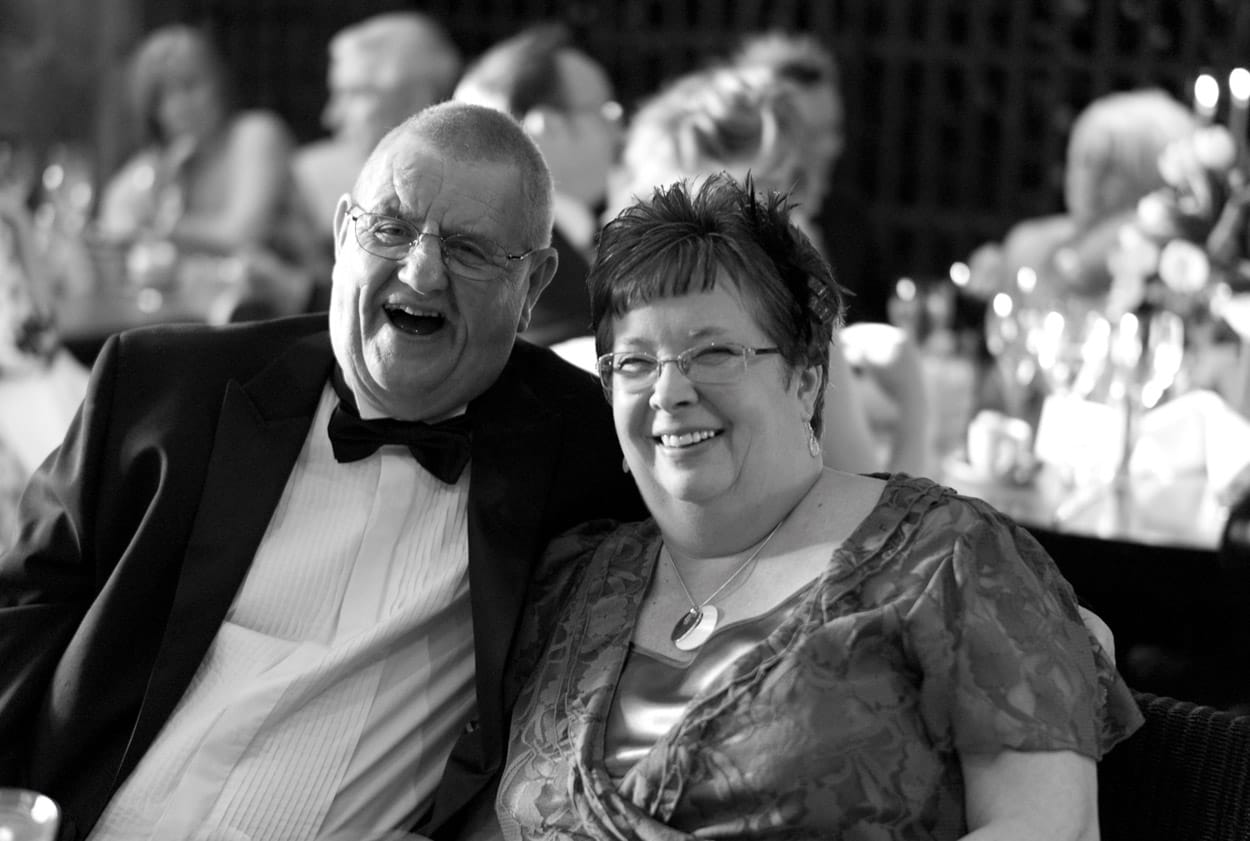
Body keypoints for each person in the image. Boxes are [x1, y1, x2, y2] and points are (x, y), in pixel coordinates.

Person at [0, 102, 645, 840]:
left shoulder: (587, 444)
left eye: (468, 249)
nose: (422, 269)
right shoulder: (164, 391)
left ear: (532, 285)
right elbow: (22, 611)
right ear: (343, 233)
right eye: (391, 228)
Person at [497, 175, 1142, 840]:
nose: (669, 390)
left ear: (806, 377)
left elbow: (1049, 828)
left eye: (713, 352)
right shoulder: (575, 580)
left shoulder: (951, 559)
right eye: (634, 362)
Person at [606, 63, 929, 474]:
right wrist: (914, 411)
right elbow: (881, 518)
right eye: (767, 191)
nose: (789, 213)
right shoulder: (791, 300)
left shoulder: (611, 298)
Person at [97, 24, 324, 321]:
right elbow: (114, 227)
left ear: (219, 83)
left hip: (304, 316)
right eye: (161, 97)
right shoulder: (164, 162)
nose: (179, 106)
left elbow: (242, 234)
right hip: (208, 325)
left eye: (190, 86)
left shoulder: (255, 134)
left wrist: (166, 228)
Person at [454, 21, 622, 346]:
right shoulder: (509, 263)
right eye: (606, 113)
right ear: (547, 125)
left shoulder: (593, 231)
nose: (620, 133)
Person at [967, 88, 1199, 303]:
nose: (1087, 185)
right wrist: (1004, 263)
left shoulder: (1149, 239)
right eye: (1083, 163)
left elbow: (1071, 271)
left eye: (1108, 169)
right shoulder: (1033, 240)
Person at [730, 30, 891, 325]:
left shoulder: (847, 217)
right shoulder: (720, 226)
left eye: (834, 129)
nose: (832, 147)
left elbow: (877, 323)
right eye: (812, 134)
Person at [294, 12, 462, 234]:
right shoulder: (308, 175)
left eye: (354, 94)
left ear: (417, 99)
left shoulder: (473, 190)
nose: (331, 116)